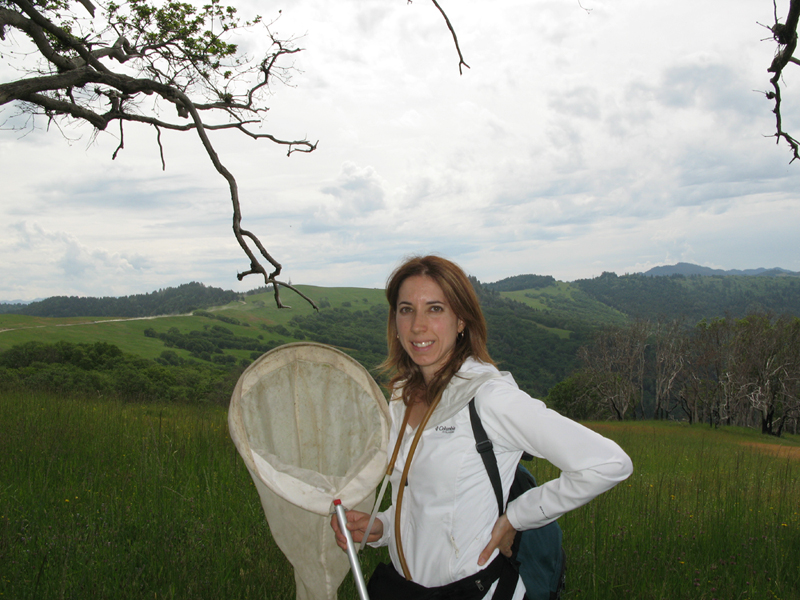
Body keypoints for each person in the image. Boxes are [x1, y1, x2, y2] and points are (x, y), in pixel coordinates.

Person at [331, 255, 633, 599]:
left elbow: (609, 463)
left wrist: (517, 517)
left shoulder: (488, 397)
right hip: (406, 589)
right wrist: (383, 527)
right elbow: (424, 496)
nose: (417, 326)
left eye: (434, 309)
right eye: (406, 309)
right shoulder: (402, 398)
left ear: (461, 319)